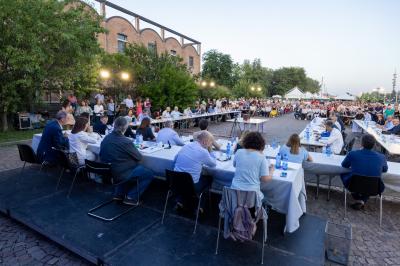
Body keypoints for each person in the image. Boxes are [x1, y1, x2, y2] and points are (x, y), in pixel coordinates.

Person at [99, 117, 154, 205]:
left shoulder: (106, 138)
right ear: (125, 127)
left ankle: (119, 194)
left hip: (107, 171)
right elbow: (139, 157)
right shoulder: (125, 141)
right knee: (148, 174)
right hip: (121, 172)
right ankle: (131, 197)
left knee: (120, 168)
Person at [341, 134, 388, 210]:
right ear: (374, 145)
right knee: (368, 181)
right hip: (375, 188)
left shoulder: (353, 154)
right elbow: (385, 169)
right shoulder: (381, 157)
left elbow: (344, 165)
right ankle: (362, 200)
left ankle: (357, 197)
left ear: (362, 144)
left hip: (353, 185)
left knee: (343, 173)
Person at [231, 132, 274, 201]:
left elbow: (234, 165)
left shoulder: (239, 152)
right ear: (261, 143)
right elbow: (265, 179)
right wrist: (271, 170)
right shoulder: (261, 157)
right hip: (251, 196)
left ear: (246, 141)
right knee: (267, 197)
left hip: (235, 193)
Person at [173, 131, 216, 200]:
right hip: (191, 186)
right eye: (210, 142)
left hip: (175, 182)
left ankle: (180, 200)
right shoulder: (203, 151)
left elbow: (175, 159)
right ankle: (201, 205)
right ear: (205, 141)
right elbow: (213, 164)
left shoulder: (186, 146)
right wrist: (210, 150)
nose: (210, 145)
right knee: (209, 178)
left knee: (188, 177)